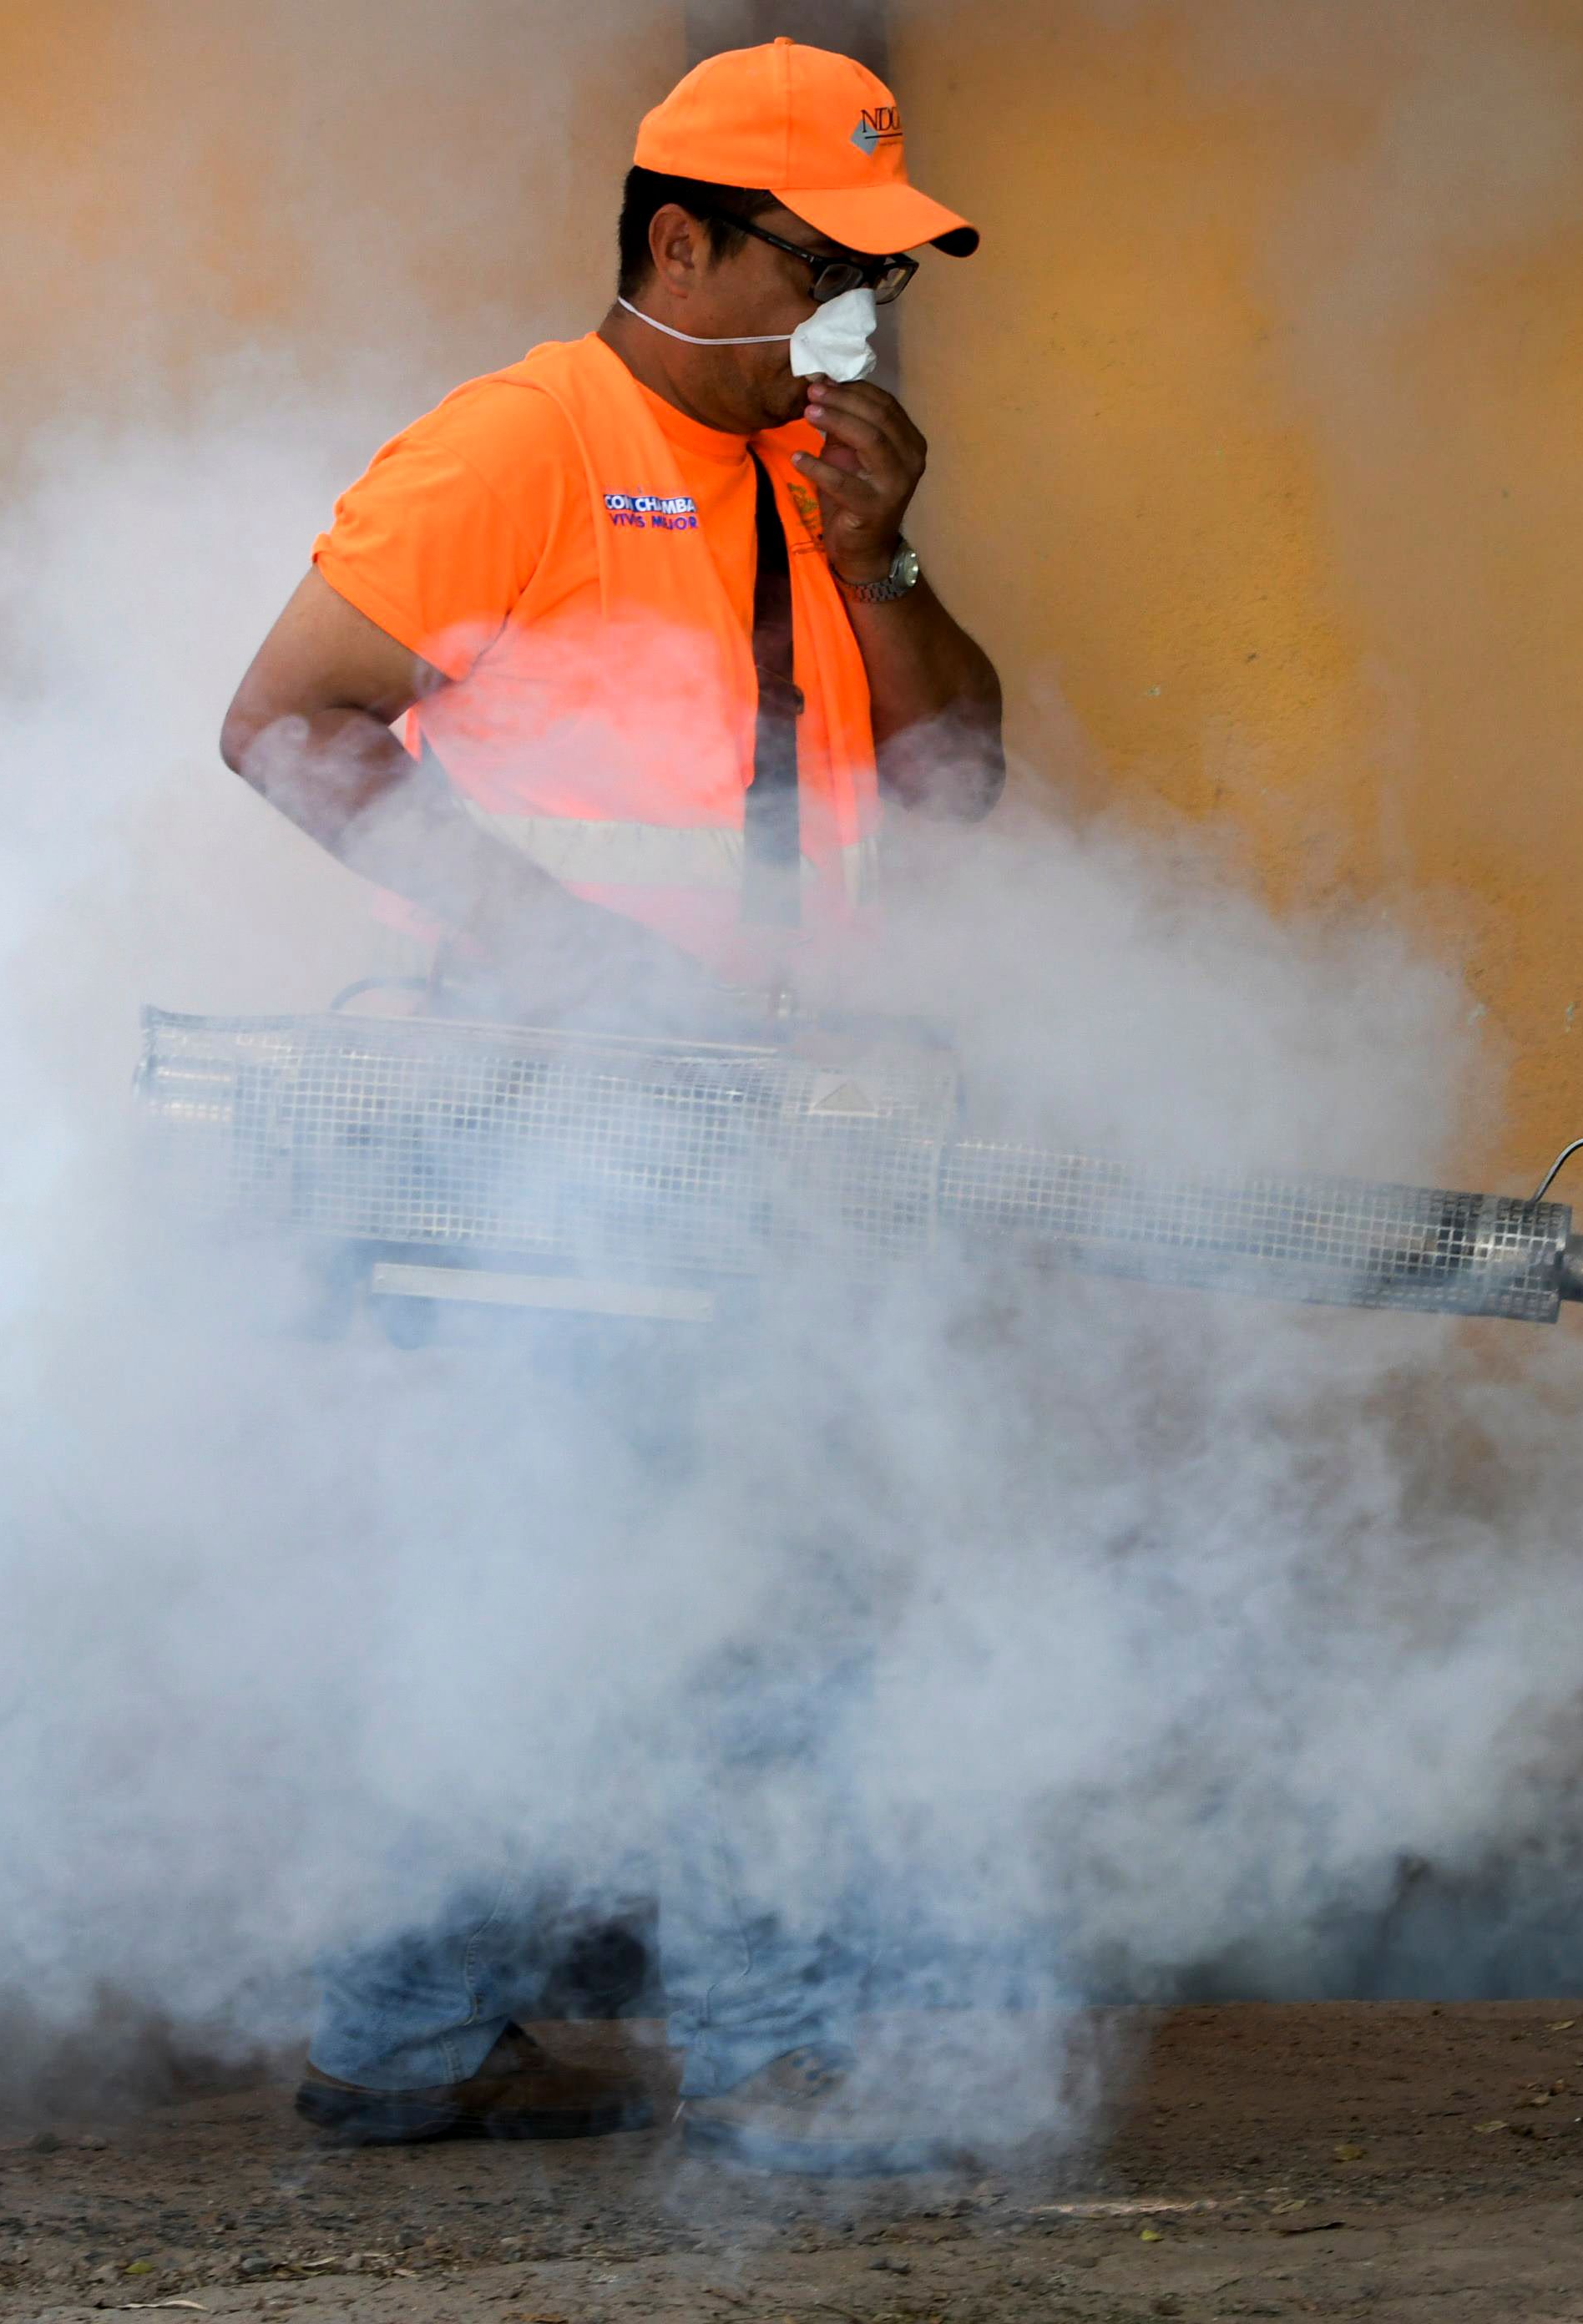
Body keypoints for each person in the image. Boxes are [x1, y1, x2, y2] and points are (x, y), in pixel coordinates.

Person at [219, 38, 1005, 2174]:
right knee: (756, 1576)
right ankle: (779, 2066)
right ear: (679, 242)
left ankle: (407, 2039)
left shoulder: (815, 478)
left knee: (550, 1583)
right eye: (815, 264)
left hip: (746, 1128)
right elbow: (289, 720)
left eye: (875, 276)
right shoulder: (524, 442)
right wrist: (580, 974)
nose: (848, 315)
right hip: (553, 1133)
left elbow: (959, 786)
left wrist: (886, 561)